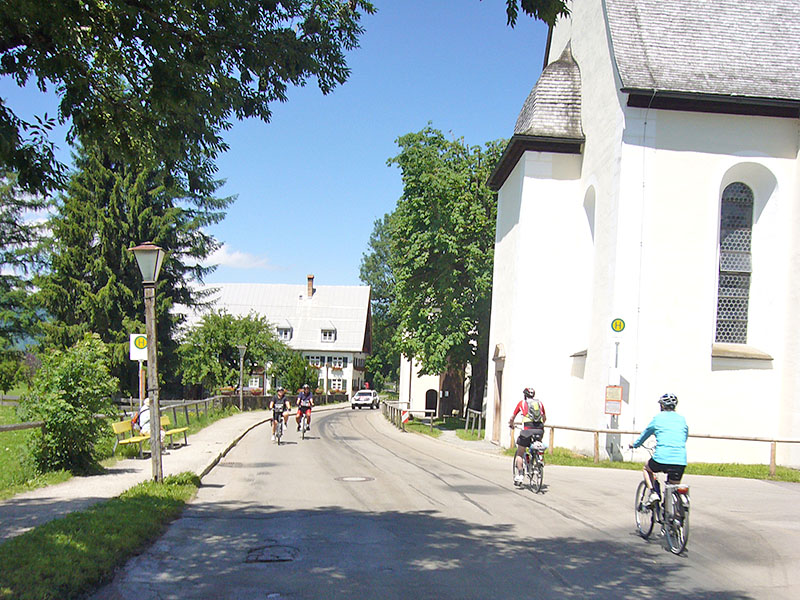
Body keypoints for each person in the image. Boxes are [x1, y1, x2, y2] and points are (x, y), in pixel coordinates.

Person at [630, 393, 689, 505]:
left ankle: (653, 493)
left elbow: (645, 434)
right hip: (680, 460)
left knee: (647, 469)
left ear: (662, 406)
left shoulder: (657, 419)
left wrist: (635, 444)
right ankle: (675, 512)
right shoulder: (682, 420)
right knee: (673, 486)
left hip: (661, 458)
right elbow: (684, 437)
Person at [508, 387, 547, 486]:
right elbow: (544, 418)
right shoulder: (540, 403)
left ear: (525, 395)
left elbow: (512, 417)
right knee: (536, 443)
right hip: (540, 429)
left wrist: (511, 424)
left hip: (526, 430)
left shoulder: (522, 403)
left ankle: (520, 474)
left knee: (520, 453)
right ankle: (538, 459)